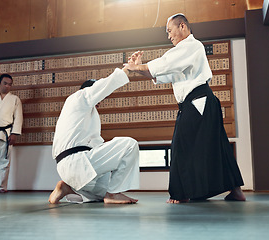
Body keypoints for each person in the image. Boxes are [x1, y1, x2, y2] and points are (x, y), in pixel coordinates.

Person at [125, 13, 246, 203]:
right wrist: (139, 68)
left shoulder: (191, 46)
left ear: (182, 26)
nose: (169, 36)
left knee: (181, 146)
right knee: (217, 145)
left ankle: (181, 194)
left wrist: (138, 68)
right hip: (200, 103)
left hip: (199, 101)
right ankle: (235, 190)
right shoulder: (182, 52)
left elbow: (164, 64)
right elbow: (159, 74)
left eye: (170, 31)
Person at [49, 67, 140, 204]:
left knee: (100, 194)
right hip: (76, 161)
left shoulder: (81, 111)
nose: (100, 100)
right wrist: (126, 70)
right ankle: (113, 194)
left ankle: (67, 188)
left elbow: (97, 146)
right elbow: (105, 85)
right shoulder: (79, 97)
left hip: (71, 167)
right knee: (129, 145)